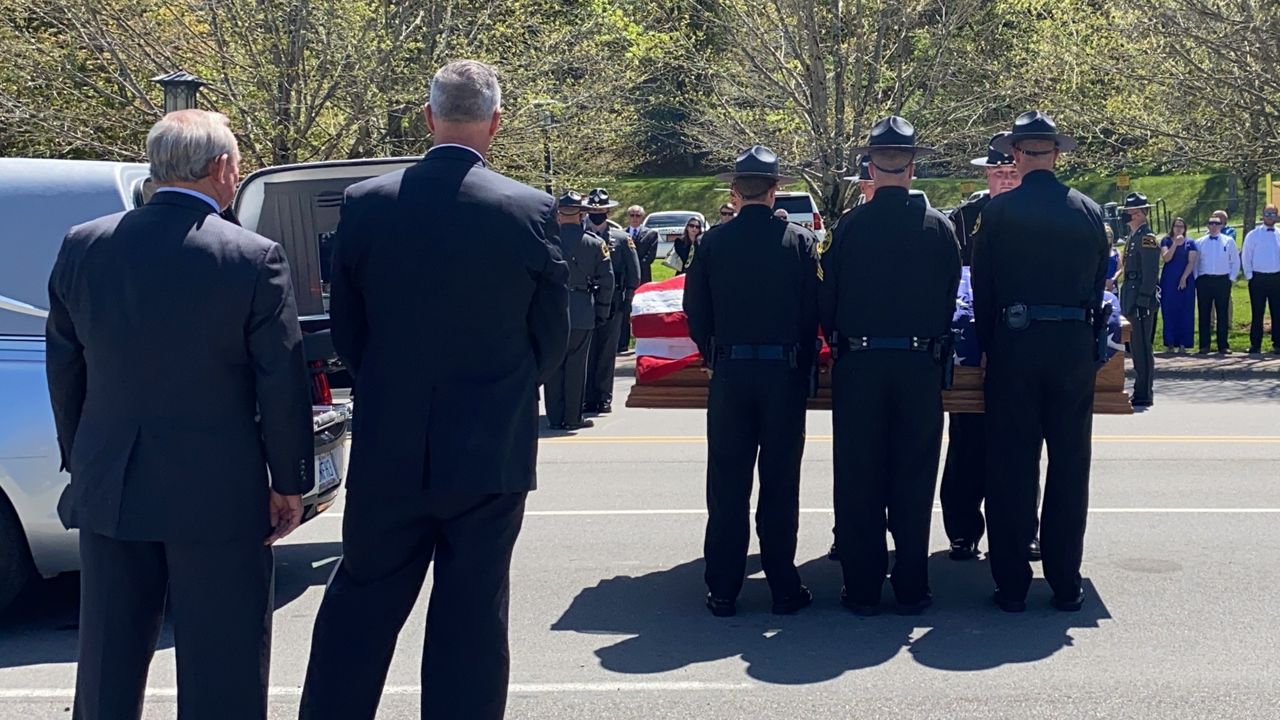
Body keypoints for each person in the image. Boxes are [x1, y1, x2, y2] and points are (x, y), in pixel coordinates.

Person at [299, 60, 570, 720]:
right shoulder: (529, 209)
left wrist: (394, 385)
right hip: (489, 447)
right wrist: (501, 391)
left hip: (393, 440)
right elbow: (551, 336)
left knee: (361, 604)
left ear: (428, 118)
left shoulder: (367, 202)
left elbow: (348, 329)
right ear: (496, 123)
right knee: (472, 616)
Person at [46, 109, 313, 720]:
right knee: (224, 666)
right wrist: (290, 482)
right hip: (218, 491)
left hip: (110, 480)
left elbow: (65, 369)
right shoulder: (252, 257)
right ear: (221, 169)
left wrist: (82, 461)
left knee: (108, 663)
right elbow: (281, 381)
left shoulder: (83, 246)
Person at [972, 110, 1110, 613]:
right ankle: (1065, 581)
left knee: (1012, 464)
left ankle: (1011, 583)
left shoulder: (1001, 213)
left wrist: (989, 344)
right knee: (1070, 465)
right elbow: (1100, 282)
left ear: (1015, 155)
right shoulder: (1089, 211)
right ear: (1055, 154)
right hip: (1072, 342)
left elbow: (983, 288)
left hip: (1015, 340)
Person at [822, 117, 961, 615]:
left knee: (859, 476)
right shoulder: (940, 228)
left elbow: (828, 299)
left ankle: (861, 588)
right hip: (920, 364)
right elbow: (950, 298)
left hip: (859, 364)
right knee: (914, 476)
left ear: (872, 166)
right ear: (913, 166)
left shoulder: (851, 227)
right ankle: (911, 586)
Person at [684, 145, 820, 618]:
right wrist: (803, 364)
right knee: (780, 482)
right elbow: (810, 313)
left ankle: (723, 588)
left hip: (731, 372)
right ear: (776, 188)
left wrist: (710, 352)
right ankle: (783, 585)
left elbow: (694, 309)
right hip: (782, 372)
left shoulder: (713, 243)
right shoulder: (799, 241)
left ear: (734, 189)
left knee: (727, 483)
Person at [940, 131, 1020, 562]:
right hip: (970, 347)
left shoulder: (1032, 217)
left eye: (1012, 172)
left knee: (1021, 447)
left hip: (1017, 343)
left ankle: (1024, 530)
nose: (1006, 180)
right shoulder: (964, 219)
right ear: (987, 175)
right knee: (966, 442)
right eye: (999, 173)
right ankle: (963, 530)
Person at [544, 191, 613, 430]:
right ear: (582, 213)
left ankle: (554, 416)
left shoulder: (546, 241)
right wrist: (602, 312)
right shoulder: (595, 244)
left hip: (551, 310)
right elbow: (607, 282)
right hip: (582, 309)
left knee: (553, 366)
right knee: (576, 366)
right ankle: (573, 417)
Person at [584, 188, 640, 414]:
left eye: (601, 209)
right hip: (586, 301)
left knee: (607, 351)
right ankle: (587, 397)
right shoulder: (581, 235)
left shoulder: (621, 238)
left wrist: (628, 300)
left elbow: (633, 273)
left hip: (613, 302)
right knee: (587, 351)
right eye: (593, 209)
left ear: (608, 210)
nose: (597, 213)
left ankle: (603, 397)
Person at [1120, 192, 1160, 408]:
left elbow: (1151, 272)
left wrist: (1144, 299)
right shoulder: (1134, 237)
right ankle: (1140, 389)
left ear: (1140, 214)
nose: (1126, 215)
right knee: (1135, 347)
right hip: (1132, 296)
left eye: (1130, 212)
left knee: (1142, 348)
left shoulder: (1147, 238)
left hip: (1141, 300)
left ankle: (1144, 392)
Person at [1194, 214, 1240, 354]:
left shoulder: (1229, 241)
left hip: (1222, 280)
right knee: (1204, 313)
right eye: (1211, 223)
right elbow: (1195, 262)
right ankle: (1204, 345)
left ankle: (1223, 345)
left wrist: (1231, 278)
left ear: (1221, 225)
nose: (1214, 226)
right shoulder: (1199, 242)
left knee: (1222, 313)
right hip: (1204, 281)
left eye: (1217, 223)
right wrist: (1197, 279)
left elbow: (1235, 261)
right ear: (1207, 226)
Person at [1242, 204, 1280, 354]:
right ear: (1262, 215)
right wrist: (1249, 276)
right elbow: (1246, 256)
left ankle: (1278, 344)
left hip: (1277, 278)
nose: (1269, 216)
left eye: (1272, 214)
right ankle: (1255, 345)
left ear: (1276, 216)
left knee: (1277, 312)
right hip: (1257, 278)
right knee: (1257, 312)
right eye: (1267, 213)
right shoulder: (1253, 235)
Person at [622, 204, 659, 353]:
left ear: (642, 217)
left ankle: (644, 342)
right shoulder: (622, 234)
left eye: (637, 215)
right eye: (631, 215)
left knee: (643, 309)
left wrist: (635, 267)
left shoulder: (651, 234)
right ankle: (623, 343)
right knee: (625, 309)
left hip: (643, 276)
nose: (634, 218)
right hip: (625, 279)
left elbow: (650, 256)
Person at [1159, 217, 1198, 352]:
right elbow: (1166, 258)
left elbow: (1191, 261)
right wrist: (1175, 244)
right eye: (1176, 226)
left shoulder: (1190, 243)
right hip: (1169, 280)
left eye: (1181, 226)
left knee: (1185, 310)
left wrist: (1184, 277)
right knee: (1169, 310)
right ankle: (1170, 343)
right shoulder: (1166, 241)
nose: (1179, 228)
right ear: (1172, 227)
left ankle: (1183, 343)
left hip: (1185, 279)